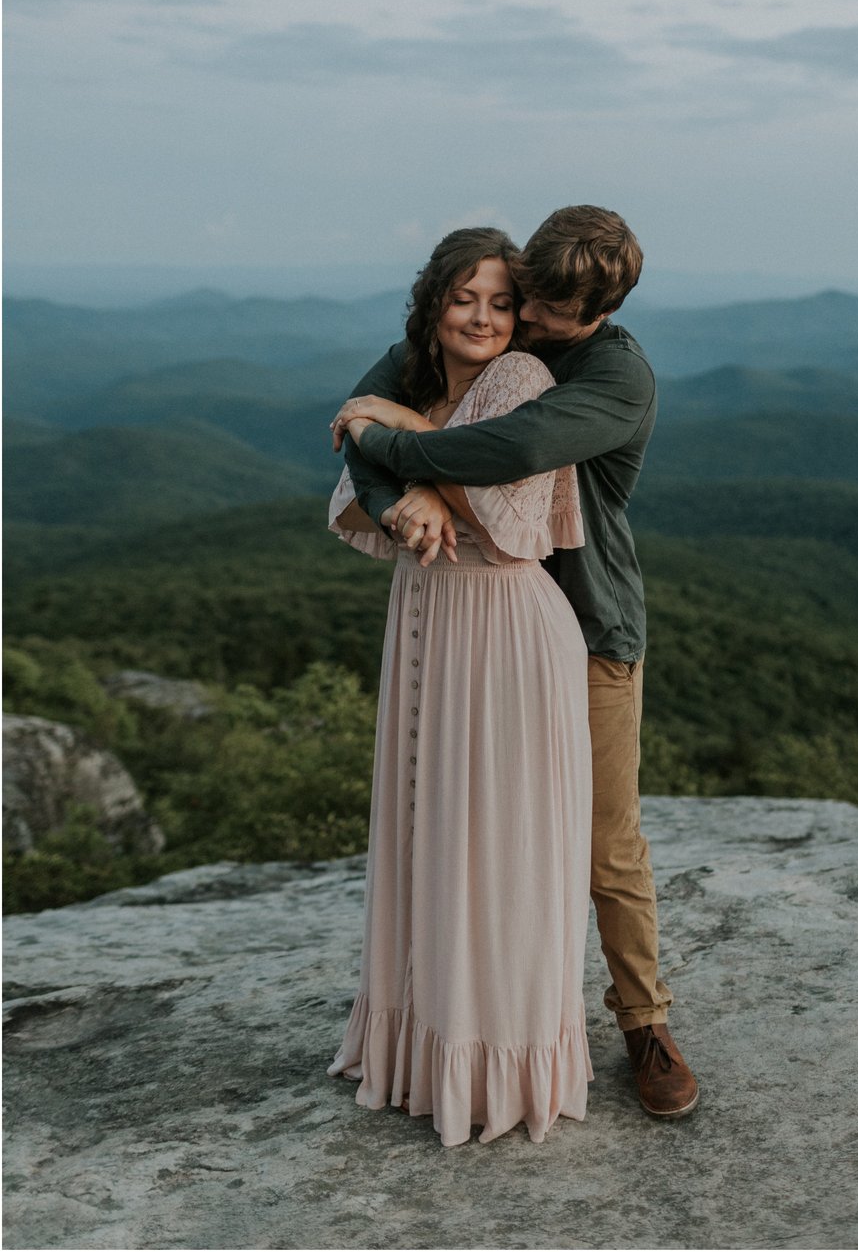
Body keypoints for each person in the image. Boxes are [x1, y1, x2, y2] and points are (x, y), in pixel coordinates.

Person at [332, 205, 699, 1119]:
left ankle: (643, 1024)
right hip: (460, 624)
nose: (520, 317)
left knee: (600, 841)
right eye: (515, 295)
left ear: (598, 311)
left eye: (542, 309)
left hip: (583, 622)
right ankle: (442, 1012)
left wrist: (392, 444)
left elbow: (514, 448)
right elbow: (356, 418)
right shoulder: (481, 317)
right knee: (451, 819)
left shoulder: (613, 374)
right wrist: (392, 490)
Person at [327, 227, 594, 1148]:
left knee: (500, 847)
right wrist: (409, 472)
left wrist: (399, 442)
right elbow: (347, 502)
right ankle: (417, 1049)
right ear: (433, 303)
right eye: (462, 297)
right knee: (424, 834)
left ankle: (500, 1062)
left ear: (522, 315)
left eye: (500, 301)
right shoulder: (415, 384)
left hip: (505, 629)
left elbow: (512, 514)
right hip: (427, 620)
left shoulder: (521, 381)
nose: (482, 317)